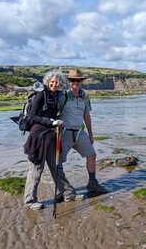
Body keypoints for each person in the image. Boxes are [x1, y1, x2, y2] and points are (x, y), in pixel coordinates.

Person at [23, 70, 84, 210]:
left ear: (60, 83)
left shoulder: (57, 96)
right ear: (47, 82)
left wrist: (57, 123)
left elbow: (72, 93)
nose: (54, 84)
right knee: (36, 168)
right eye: (52, 82)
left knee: (56, 165)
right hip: (38, 136)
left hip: (52, 135)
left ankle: (67, 194)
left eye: (57, 82)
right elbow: (33, 116)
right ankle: (30, 200)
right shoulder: (40, 95)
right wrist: (52, 122)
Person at [60, 69, 108, 194]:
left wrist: (91, 134)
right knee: (58, 161)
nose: (76, 82)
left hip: (80, 133)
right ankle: (62, 188)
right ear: (69, 81)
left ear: (82, 81)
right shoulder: (63, 96)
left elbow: (86, 115)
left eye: (79, 80)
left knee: (92, 155)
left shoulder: (84, 96)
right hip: (65, 133)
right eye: (73, 80)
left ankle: (92, 183)